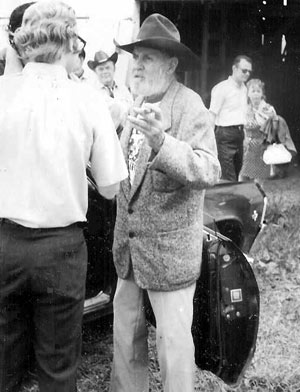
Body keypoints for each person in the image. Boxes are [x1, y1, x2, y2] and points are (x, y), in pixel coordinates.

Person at [0, 2, 127, 392]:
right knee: (57, 371)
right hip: (62, 248)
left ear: (24, 41)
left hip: (5, 244)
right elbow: (109, 187)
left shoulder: (2, 93)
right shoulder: (88, 100)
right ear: (70, 40)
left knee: (3, 366)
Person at [110, 13, 221, 392]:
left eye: (147, 59)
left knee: (173, 347)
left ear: (171, 65)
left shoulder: (190, 106)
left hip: (169, 257)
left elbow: (210, 169)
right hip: (129, 251)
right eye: (135, 57)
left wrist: (163, 142)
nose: (137, 66)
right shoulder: (136, 102)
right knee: (125, 339)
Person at [209, 55, 253, 181]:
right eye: (244, 70)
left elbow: (243, 114)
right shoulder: (221, 88)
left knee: (238, 172)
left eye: (249, 71)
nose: (247, 74)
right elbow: (211, 115)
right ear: (234, 68)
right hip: (224, 136)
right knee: (228, 178)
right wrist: (209, 141)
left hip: (240, 134)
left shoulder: (245, 89)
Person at [239, 78, 277, 182]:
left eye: (258, 91)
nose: (255, 94)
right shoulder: (244, 108)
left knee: (258, 182)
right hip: (246, 148)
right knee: (242, 179)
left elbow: (274, 127)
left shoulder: (268, 108)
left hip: (261, 147)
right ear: (248, 94)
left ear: (262, 94)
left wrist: (272, 118)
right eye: (253, 91)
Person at [87, 50, 133, 135]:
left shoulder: (123, 90)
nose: (105, 72)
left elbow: (132, 111)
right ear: (95, 72)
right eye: (101, 69)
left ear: (114, 69)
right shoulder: (92, 93)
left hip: (125, 136)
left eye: (108, 68)